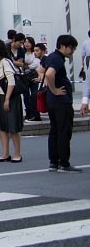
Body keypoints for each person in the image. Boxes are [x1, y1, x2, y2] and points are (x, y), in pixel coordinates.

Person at [43, 34, 80, 173]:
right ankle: (64, 162)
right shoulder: (58, 59)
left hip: (52, 102)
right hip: (61, 101)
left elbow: (43, 71)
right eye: (71, 48)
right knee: (64, 131)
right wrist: (55, 90)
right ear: (62, 46)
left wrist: (51, 90)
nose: (72, 51)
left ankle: (54, 162)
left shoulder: (51, 57)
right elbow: (49, 74)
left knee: (54, 131)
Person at [0, 38, 24, 162]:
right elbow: (0, 82)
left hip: (10, 96)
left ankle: (17, 154)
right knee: (3, 126)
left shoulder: (5, 62)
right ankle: (5, 153)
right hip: (2, 94)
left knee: (13, 126)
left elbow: (11, 81)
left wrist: (7, 99)